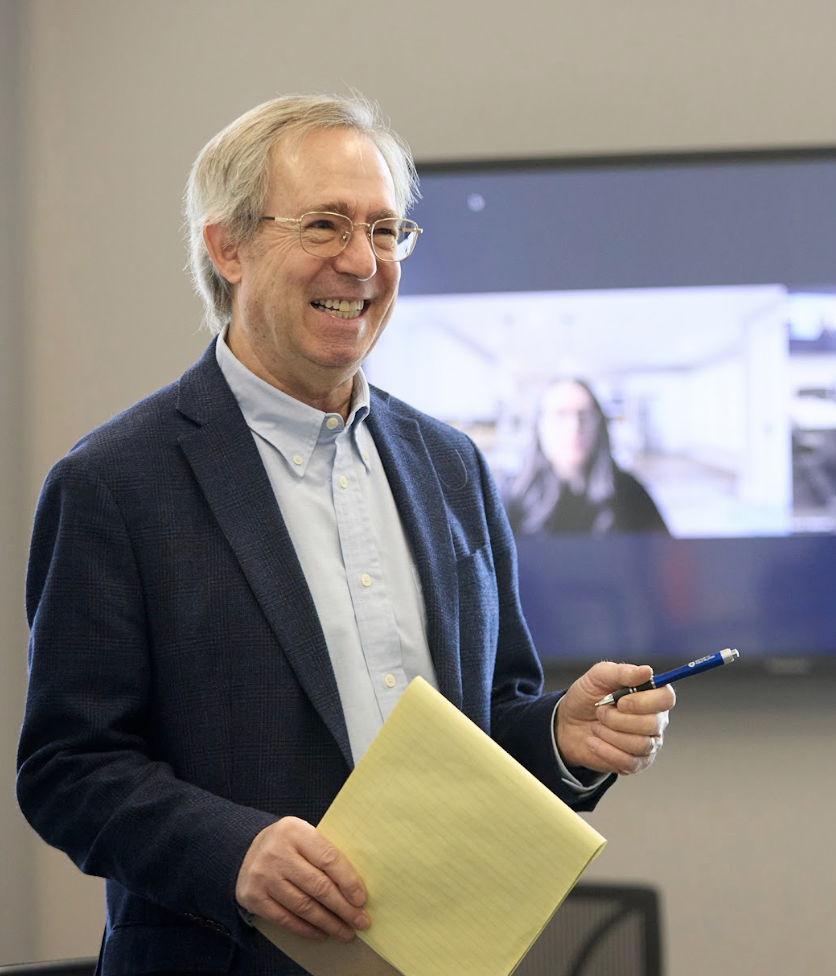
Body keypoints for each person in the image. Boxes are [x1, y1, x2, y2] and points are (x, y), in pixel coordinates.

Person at [17, 94, 675, 976]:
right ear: (229, 247)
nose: (361, 261)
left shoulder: (453, 467)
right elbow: (69, 768)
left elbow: (484, 726)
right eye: (325, 224)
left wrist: (559, 734)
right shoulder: (113, 484)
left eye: (385, 229)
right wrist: (236, 853)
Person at [504, 378, 670, 536]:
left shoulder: (630, 493)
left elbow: (666, 556)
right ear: (540, 425)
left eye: (583, 415)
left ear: (599, 425)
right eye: (560, 415)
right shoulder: (511, 495)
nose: (574, 427)